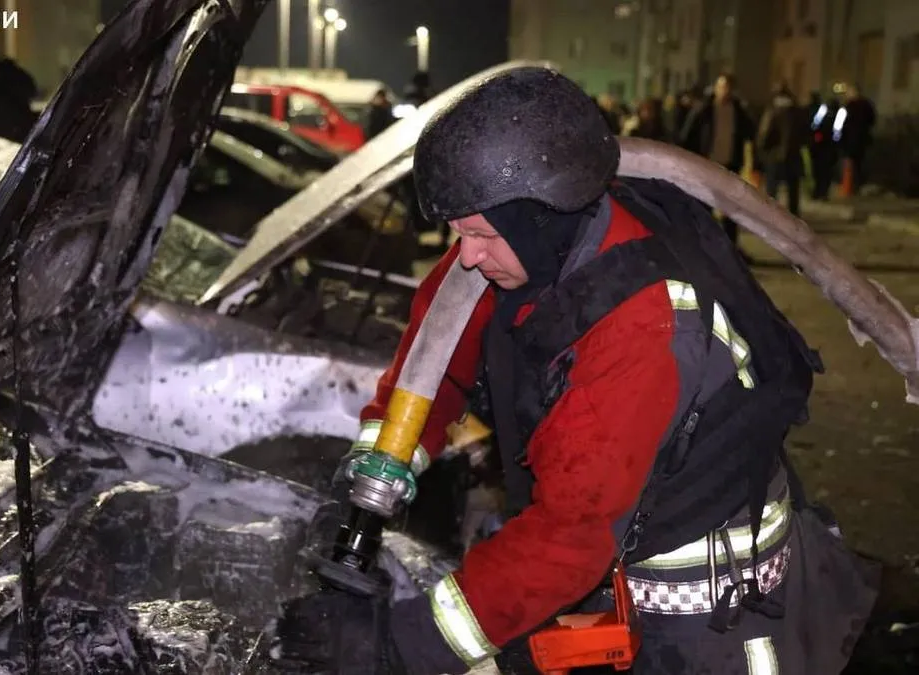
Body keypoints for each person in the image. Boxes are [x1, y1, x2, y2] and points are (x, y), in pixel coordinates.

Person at [272, 68, 877, 675]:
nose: (467, 257)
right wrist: (371, 480)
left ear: (540, 217)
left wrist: (397, 642)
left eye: (479, 235)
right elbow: (435, 358)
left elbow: (569, 537)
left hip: (711, 624)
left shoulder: (643, 324)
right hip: (611, 577)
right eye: (458, 235)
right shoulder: (524, 248)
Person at [678, 74, 757, 247]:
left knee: (730, 208)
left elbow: (750, 133)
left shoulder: (738, 111)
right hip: (707, 165)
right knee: (704, 206)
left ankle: (730, 246)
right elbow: (687, 136)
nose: (725, 91)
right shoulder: (704, 109)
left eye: (728, 87)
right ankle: (702, 244)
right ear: (716, 88)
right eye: (722, 87)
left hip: (729, 165)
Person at [757, 83, 807, 216]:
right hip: (793, 156)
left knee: (772, 191)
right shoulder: (797, 111)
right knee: (793, 192)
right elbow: (805, 134)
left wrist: (762, 152)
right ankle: (794, 221)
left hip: (774, 157)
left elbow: (764, 135)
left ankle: (772, 219)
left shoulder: (772, 111)